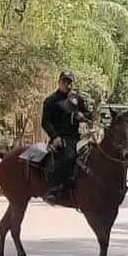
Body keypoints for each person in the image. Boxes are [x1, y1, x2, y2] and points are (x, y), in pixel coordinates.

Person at [41, 70, 93, 204]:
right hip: (61, 138)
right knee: (69, 157)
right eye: (64, 81)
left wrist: (83, 116)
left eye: (69, 82)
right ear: (59, 82)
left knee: (93, 153)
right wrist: (55, 136)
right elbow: (45, 122)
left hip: (77, 137)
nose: (67, 85)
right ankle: (56, 189)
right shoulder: (51, 101)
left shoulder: (77, 100)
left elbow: (89, 115)